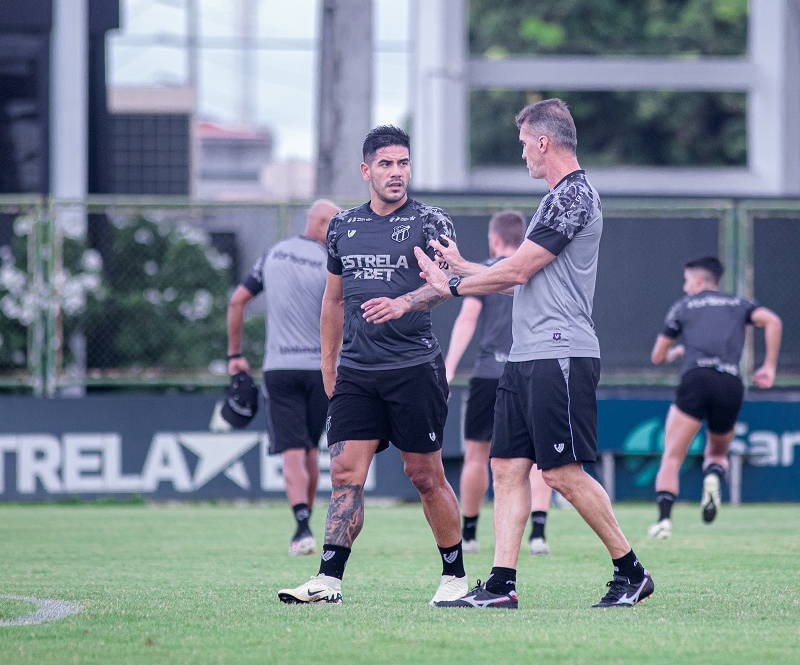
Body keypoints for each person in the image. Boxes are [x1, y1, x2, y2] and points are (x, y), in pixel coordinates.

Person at [371, 98, 654, 609]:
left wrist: (455, 283)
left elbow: (518, 273)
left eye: (525, 144)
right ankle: (502, 585)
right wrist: (464, 266)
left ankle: (631, 571)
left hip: (559, 353)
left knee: (561, 472)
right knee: (505, 466)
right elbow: (521, 280)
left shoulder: (573, 196)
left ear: (544, 142)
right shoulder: (554, 199)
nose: (522, 153)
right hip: (525, 356)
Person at [277, 125, 467, 606]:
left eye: (403, 163)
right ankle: (327, 580)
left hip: (414, 368)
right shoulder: (342, 226)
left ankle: (454, 578)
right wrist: (328, 363)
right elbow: (333, 300)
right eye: (386, 164)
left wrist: (403, 302)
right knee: (344, 472)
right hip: (357, 372)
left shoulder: (431, 221)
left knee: (424, 474)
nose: (397, 172)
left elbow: (446, 283)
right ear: (366, 171)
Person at [226, 198, 341, 557]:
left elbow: (237, 301)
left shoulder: (273, 254)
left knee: (292, 452)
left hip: (279, 368)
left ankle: (302, 527)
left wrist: (235, 355)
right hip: (321, 369)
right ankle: (305, 527)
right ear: (323, 224)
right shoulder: (332, 262)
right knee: (310, 450)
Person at [442, 210, 554, 557]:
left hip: (489, 373)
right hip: (532, 370)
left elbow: (467, 319)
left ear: (494, 238)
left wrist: (448, 368)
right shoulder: (533, 268)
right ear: (522, 238)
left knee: (477, 454)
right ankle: (538, 534)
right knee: (538, 457)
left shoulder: (487, 269)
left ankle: (471, 533)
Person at [646, 256, 782, 540]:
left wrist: (674, 353)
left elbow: (657, 356)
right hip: (730, 381)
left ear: (697, 281)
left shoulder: (683, 306)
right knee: (718, 452)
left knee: (672, 455)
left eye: (686, 281)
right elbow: (773, 321)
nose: (685, 287)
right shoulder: (739, 304)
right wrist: (768, 366)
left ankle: (664, 521)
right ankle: (713, 475)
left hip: (696, 378)